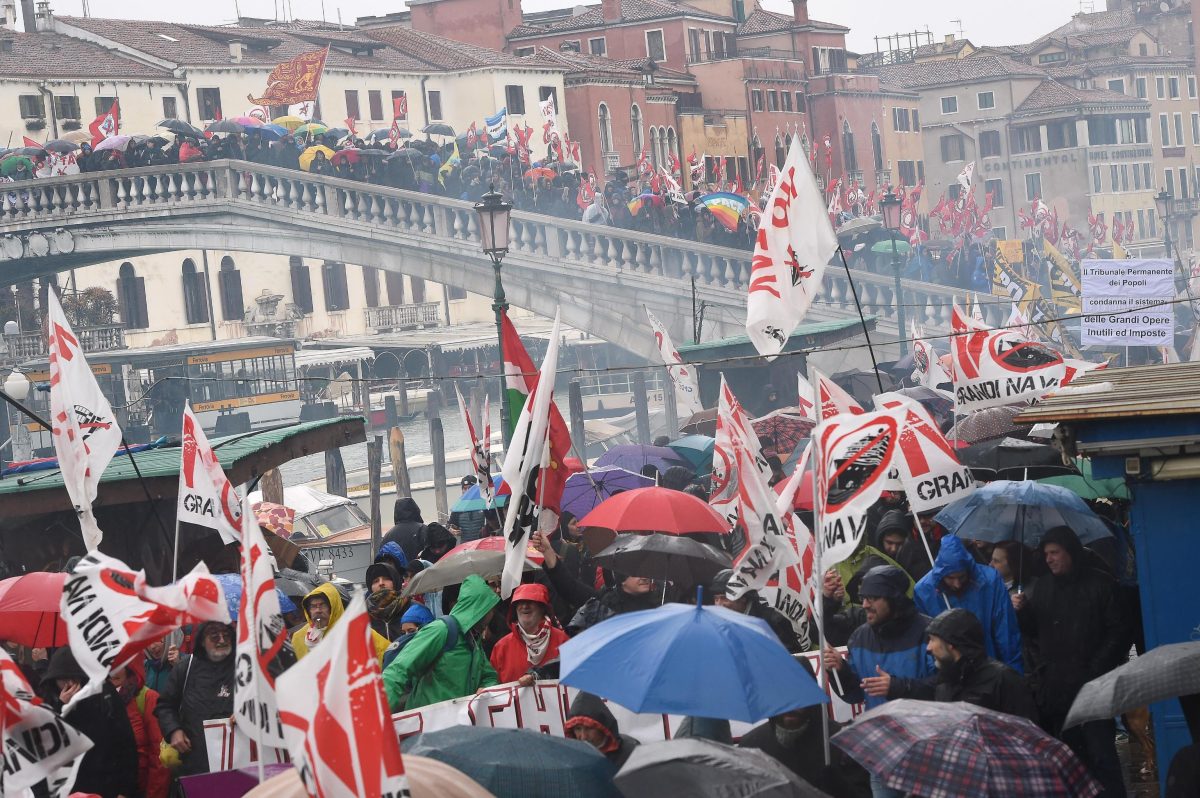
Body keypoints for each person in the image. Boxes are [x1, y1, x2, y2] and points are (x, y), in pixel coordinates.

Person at [1018, 526, 1129, 796]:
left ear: (1071, 552)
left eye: (1055, 553)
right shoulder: (1043, 587)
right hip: (1057, 690)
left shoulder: (1101, 585)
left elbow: (1119, 632)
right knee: (1070, 758)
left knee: (1102, 755)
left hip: (1093, 688)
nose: (1049, 559)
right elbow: (1035, 633)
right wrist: (1022, 613)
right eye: (1046, 554)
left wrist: (1093, 670)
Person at [822, 565, 935, 798]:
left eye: (872, 598)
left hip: (926, 752)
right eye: (863, 598)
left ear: (893, 598)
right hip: (882, 752)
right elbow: (853, 694)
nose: (864, 605)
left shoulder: (929, 632)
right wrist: (840, 670)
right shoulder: (860, 637)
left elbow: (945, 687)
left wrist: (897, 687)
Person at [738, 660, 870, 797]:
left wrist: (842, 789)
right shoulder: (752, 746)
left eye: (798, 693)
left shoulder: (842, 743)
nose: (791, 705)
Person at [383, 573, 499, 710]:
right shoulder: (441, 630)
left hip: (458, 725)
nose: (493, 613)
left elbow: (489, 675)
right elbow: (398, 670)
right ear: (481, 609)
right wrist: (380, 717)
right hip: (428, 725)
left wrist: (486, 689)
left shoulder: (473, 639)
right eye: (491, 608)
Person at [913, 535, 1023, 672]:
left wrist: (1014, 671)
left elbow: (1005, 630)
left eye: (961, 577)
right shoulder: (924, 590)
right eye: (950, 578)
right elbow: (926, 642)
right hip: (949, 672)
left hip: (989, 665)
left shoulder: (990, 581)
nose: (957, 584)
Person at [43, 648, 139, 798]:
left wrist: (125, 790)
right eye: (62, 680)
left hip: (105, 785)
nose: (69, 684)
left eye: (73, 678)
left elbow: (126, 744)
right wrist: (61, 707)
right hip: (68, 788)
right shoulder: (50, 700)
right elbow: (44, 745)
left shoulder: (104, 694)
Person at [154, 621, 237, 778]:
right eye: (214, 637)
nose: (221, 640)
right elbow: (165, 706)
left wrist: (247, 713)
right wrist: (174, 731)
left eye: (226, 636)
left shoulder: (245, 667)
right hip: (197, 762)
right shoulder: (186, 668)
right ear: (202, 641)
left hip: (239, 761)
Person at [924, 608, 1038, 722]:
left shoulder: (1003, 679)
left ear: (951, 644)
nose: (928, 648)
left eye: (932, 640)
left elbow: (1029, 729)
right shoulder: (944, 683)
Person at [110, 662, 171, 798]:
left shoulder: (147, 698)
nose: (112, 670)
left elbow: (159, 756)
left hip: (140, 790)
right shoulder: (97, 699)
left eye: (118, 664)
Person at [489, 583, 569, 684]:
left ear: (542, 607)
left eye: (530, 601)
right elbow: (493, 685)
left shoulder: (562, 640)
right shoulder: (501, 647)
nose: (525, 606)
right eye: (520, 602)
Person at [709, 569, 806, 652]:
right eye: (716, 599)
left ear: (743, 597)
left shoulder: (773, 620)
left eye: (725, 598)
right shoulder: (717, 626)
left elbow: (791, 655)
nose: (719, 605)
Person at [292, 583, 390, 660]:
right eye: (313, 606)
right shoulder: (299, 637)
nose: (318, 610)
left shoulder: (359, 632)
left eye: (322, 605)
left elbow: (387, 652)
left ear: (333, 607)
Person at [564, 692, 639, 769]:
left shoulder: (631, 753)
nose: (583, 737)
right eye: (578, 729)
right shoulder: (572, 759)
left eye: (589, 728)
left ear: (602, 727)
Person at [366, 560, 409, 640]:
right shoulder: (364, 616)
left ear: (396, 581)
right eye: (376, 581)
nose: (381, 583)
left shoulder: (412, 608)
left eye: (386, 579)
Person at [382, 497, 426, 561]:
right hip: (420, 569)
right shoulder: (422, 529)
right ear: (416, 510)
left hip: (397, 570)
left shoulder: (388, 535)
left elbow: (382, 557)